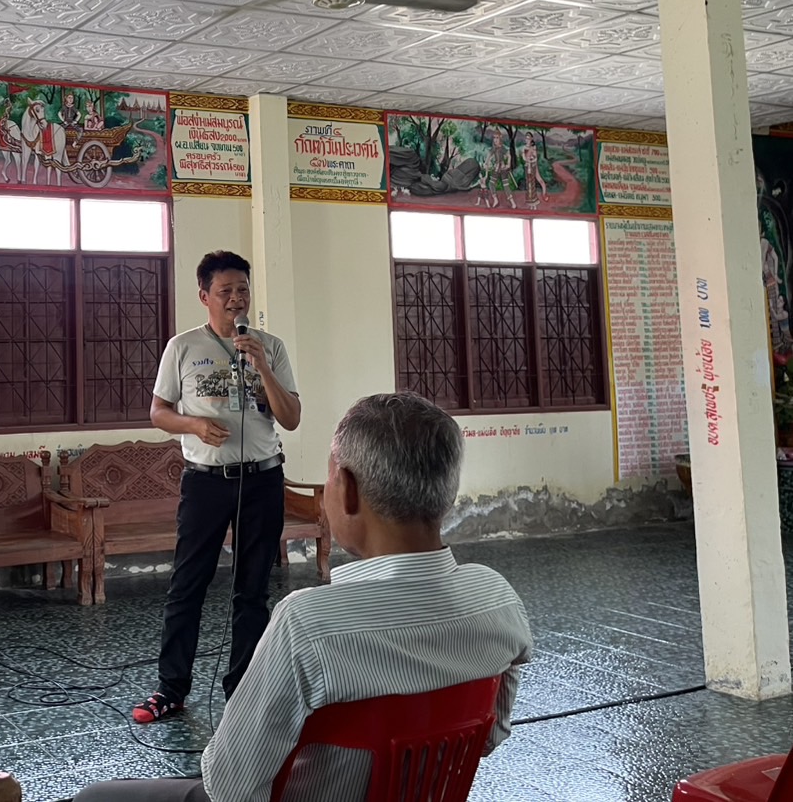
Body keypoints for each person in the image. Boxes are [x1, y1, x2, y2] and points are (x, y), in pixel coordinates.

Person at [78, 392, 533, 802]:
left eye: (330, 476)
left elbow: (230, 787)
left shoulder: (307, 626)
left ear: (349, 490)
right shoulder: (498, 599)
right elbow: (489, 736)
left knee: (96, 797)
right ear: (447, 493)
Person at [132, 250, 301, 724]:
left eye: (243, 290)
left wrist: (263, 365)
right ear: (204, 296)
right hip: (206, 483)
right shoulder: (182, 347)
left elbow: (290, 417)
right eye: (225, 291)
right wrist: (193, 425)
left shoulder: (270, 346)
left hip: (263, 479)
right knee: (188, 584)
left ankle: (244, 689)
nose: (236, 299)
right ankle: (171, 689)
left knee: (252, 591)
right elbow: (158, 411)